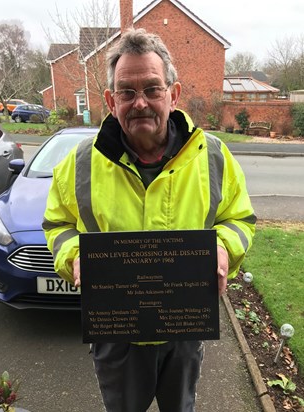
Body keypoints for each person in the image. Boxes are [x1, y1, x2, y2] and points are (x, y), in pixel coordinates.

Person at [43, 27, 256, 412]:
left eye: (152, 89)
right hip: (117, 334)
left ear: (173, 94)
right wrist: (74, 256)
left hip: (183, 328)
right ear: (111, 100)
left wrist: (223, 249)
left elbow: (239, 219)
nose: (139, 103)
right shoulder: (78, 165)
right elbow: (57, 227)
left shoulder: (213, 157)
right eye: (126, 92)